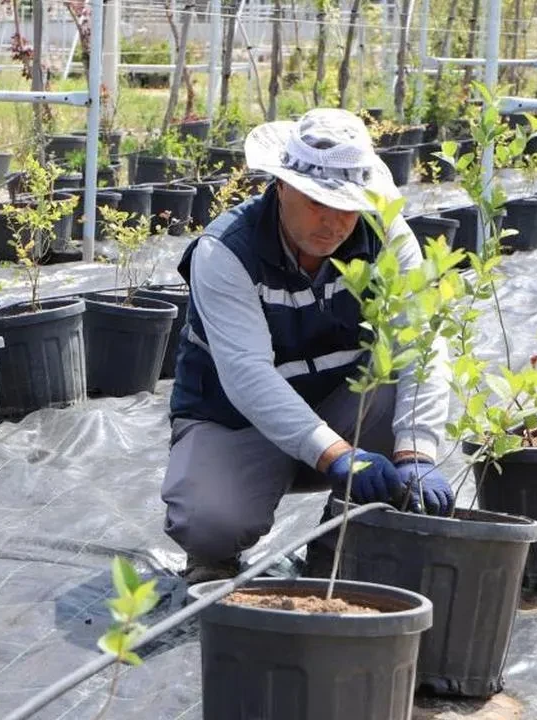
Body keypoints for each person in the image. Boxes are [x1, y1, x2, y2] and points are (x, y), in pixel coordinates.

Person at [161, 109, 455, 583]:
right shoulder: (227, 251)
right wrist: (335, 454)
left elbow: (421, 343)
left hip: (341, 403)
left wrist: (416, 452)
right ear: (281, 186)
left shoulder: (385, 235)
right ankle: (215, 557)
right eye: (318, 202)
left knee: (397, 387)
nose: (334, 222)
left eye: (348, 206)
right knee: (208, 523)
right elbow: (248, 374)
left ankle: (340, 549)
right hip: (236, 420)